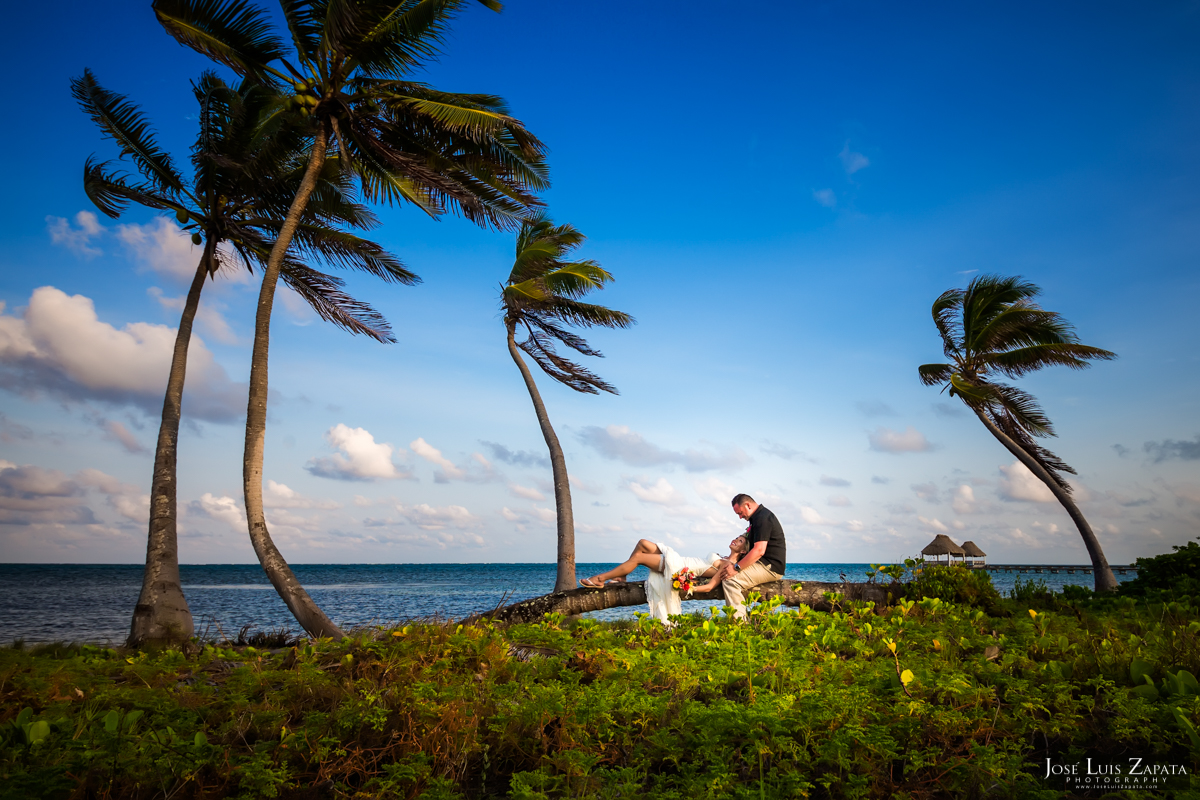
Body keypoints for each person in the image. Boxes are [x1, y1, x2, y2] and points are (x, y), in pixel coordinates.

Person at [579, 535, 750, 623]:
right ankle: (622, 576)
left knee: (639, 557)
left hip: (678, 567)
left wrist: (688, 588)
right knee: (642, 543)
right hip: (680, 559)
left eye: (740, 540)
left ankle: (599, 579)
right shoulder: (722, 556)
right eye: (736, 538)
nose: (735, 540)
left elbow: (709, 587)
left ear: (743, 551)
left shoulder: (728, 566)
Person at [712, 493, 787, 619]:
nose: (740, 517)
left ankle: (740, 625)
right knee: (726, 571)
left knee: (730, 580)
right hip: (763, 563)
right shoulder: (757, 517)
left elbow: (759, 551)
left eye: (740, 513)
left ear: (748, 505)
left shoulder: (762, 518)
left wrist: (736, 568)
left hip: (770, 567)